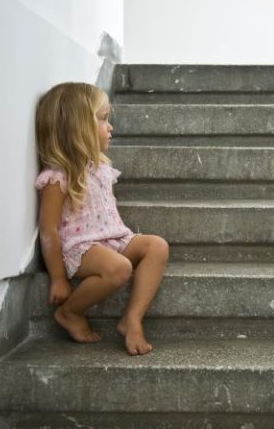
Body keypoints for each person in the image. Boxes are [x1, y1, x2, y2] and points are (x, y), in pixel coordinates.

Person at [34, 82, 168, 356]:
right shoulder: (57, 176)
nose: (110, 127)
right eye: (104, 119)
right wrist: (58, 278)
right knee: (119, 268)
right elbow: (48, 229)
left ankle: (131, 318)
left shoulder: (101, 168)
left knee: (157, 246)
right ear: (78, 126)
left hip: (115, 239)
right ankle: (70, 312)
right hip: (81, 248)